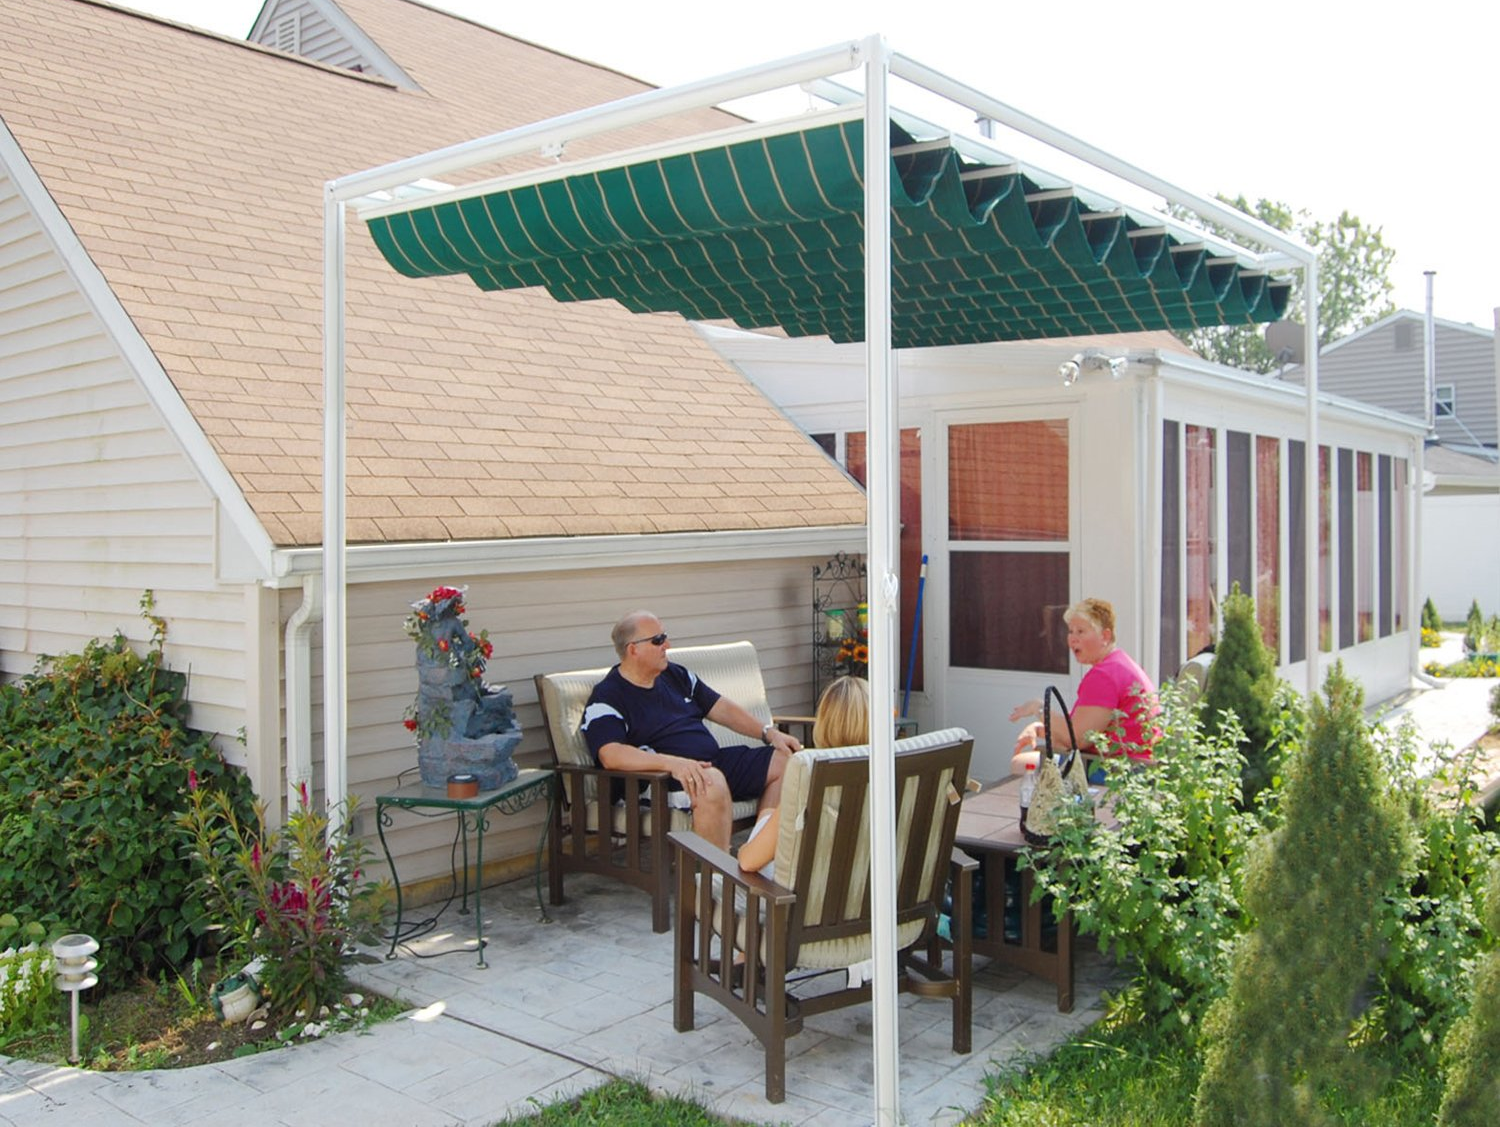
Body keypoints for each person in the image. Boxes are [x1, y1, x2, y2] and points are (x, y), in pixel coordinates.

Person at [580, 610, 800, 851]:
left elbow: (722, 708)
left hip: (706, 764)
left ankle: (757, 854)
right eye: (658, 640)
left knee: (787, 761)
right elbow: (610, 754)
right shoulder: (608, 696)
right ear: (633, 650)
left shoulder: (675, 675)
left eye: (665, 637)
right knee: (710, 781)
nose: (667, 644)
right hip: (661, 781)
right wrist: (673, 764)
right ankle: (713, 880)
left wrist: (769, 733)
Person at [736, 675, 870, 877]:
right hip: (870, 894)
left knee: (758, 834)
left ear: (824, 723)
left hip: (802, 901)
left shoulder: (809, 777)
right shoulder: (892, 772)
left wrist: (742, 850)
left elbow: (748, 862)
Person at [1009, 597, 1158, 772]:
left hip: (1119, 772)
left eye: (1081, 631)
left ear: (1105, 636)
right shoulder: (1120, 664)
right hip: (1140, 767)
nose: (1073, 639)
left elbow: (1077, 739)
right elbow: (1081, 728)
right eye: (1070, 631)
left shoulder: (1104, 675)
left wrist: (1039, 708)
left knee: (1020, 764)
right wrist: (1040, 729)